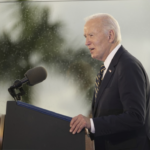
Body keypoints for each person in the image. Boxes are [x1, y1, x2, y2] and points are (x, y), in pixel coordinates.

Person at [69, 13, 150, 150]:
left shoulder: (127, 65)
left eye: (91, 35)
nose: (86, 42)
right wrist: (90, 129)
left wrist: (92, 124)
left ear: (110, 35)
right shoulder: (106, 70)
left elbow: (135, 116)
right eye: (85, 37)